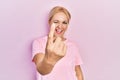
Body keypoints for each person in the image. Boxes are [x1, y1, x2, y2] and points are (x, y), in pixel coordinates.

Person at [32, 6, 84, 80]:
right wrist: (50, 60)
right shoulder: (39, 42)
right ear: (49, 22)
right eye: (56, 22)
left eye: (64, 22)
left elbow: (78, 73)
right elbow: (41, 70)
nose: (60, 26)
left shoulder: (73, 46)